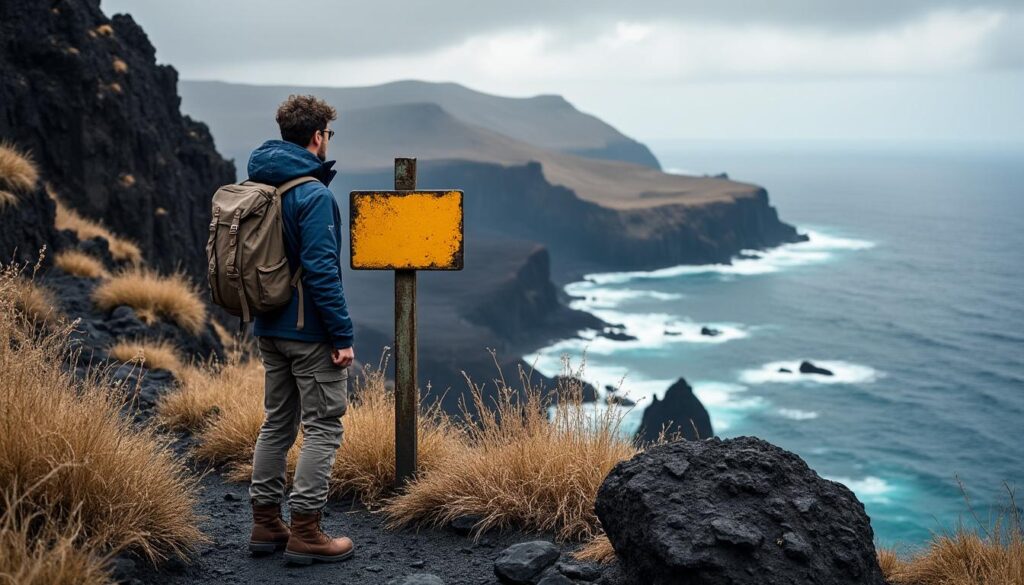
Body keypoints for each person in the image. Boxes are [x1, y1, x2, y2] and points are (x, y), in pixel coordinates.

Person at [245, 94, 356, 565]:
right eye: (328, 134)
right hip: (309, 331)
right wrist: (342, 334)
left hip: (268, 325)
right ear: (317, 137)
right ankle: (307, 531)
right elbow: (321, 270)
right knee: (324, 426)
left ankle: (266, 523)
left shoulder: (261, 186)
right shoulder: (312, 194)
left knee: (277, 423)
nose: (327, 141)